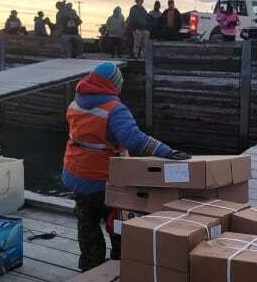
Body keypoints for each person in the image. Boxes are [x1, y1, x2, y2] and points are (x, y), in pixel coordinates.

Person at [61, 62, 191, 269]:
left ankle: (89, 267)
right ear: (112, 85)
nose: (121, 87)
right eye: (119, 83)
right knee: (119, 222)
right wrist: (167, 152)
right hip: (105, 178)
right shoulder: (114, 109)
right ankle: (121, 264)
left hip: (76, 173)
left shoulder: (76, 102)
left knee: (87, 224)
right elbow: (134, 140)